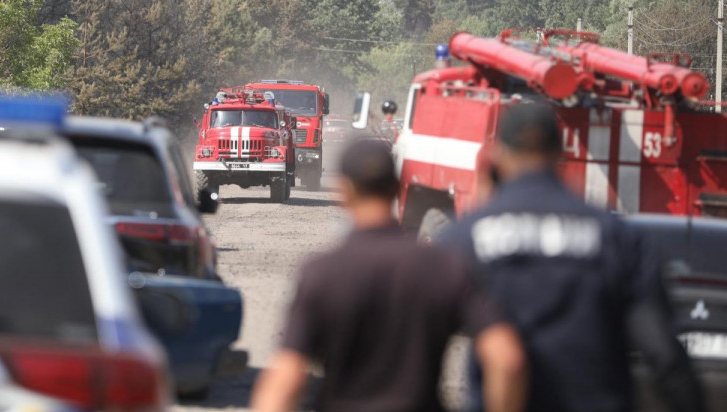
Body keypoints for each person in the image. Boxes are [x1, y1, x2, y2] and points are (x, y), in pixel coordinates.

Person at [439, 103, 705, 412]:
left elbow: (421, 345)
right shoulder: (616, 236)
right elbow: (663, 354)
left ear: (499, 155)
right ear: (559, 153)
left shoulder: (465, 238)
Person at [251, 139, 526, 412]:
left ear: (344, 193)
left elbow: (285, 380)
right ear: (397, 189)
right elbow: (505, 358)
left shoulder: (322, 273)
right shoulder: (445, 266)